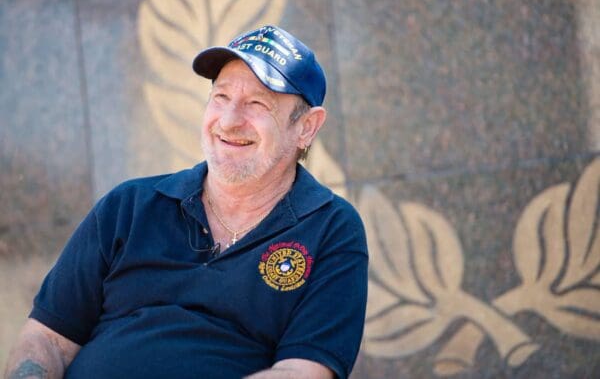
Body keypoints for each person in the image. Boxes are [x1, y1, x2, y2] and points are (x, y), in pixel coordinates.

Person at [4, 25, 368, 379]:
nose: (228, 121)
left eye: (257, 103)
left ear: (306, 127)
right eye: (221, 97)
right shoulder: (128, 206)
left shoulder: (331, 228)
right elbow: (47, 338)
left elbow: (303, 370)